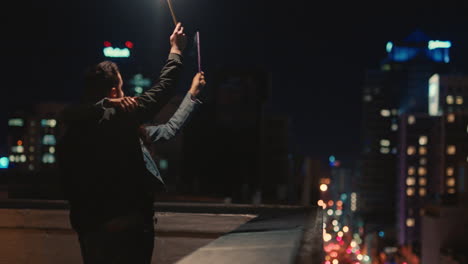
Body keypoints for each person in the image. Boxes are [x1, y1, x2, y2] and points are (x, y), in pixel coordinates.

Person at [57, 22, 197, 264]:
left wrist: (192, 95)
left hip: (90, 228)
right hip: (125, 227)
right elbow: (162, 90)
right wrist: (176, 50)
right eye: (122, 88)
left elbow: (167, 130)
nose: (126, 94)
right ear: (113, 93)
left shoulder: (77, 124)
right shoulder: (118, 115)